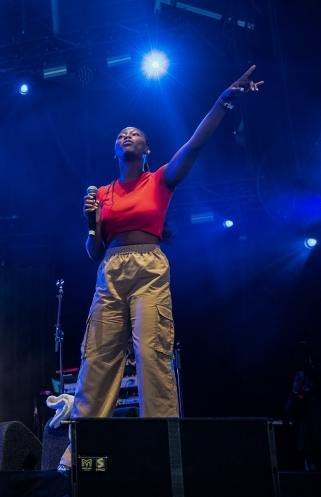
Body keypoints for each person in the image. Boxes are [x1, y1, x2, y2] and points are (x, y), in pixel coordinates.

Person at [57, 66, 263, 473]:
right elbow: (93, 251)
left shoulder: (160, 180)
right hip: (110, 270)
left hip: (149, 268)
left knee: (152, 354)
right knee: (97, 359)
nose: (125, 136)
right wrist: (89, 225)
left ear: (147, 148)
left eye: (133, 133)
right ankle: (81, 449)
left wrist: (225, 99)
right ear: (115, 152)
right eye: (120, 135)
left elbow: (196, 143)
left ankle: (162, 445)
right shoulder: (101, 193)